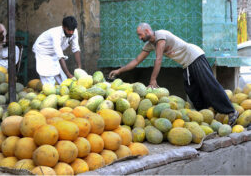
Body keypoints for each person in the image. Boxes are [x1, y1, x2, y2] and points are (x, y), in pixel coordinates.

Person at [109, 23, 239, 126]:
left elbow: (158, 59)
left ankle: (231, 111)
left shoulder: (161, 36)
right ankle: (206, 115)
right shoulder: (150, 45)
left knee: (209, 85)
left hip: (195, 56)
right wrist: (119, 71)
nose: (139, 38)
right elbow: (137, 60)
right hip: (187, 63)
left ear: (147, 31)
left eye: (140, 34)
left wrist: (153, 80)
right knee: (192, 90)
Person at [32, 16, 82, 85]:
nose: (71, 32)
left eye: (72, 30)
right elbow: (60, 56)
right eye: (69, 30)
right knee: (47, 75)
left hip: (54, 51)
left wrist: (79, 69)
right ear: (63, 27)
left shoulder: (74, 32)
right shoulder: (56, 34)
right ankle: (49, 91)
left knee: (62, 78)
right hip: (42, 50)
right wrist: (69, 75)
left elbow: (76, 49)